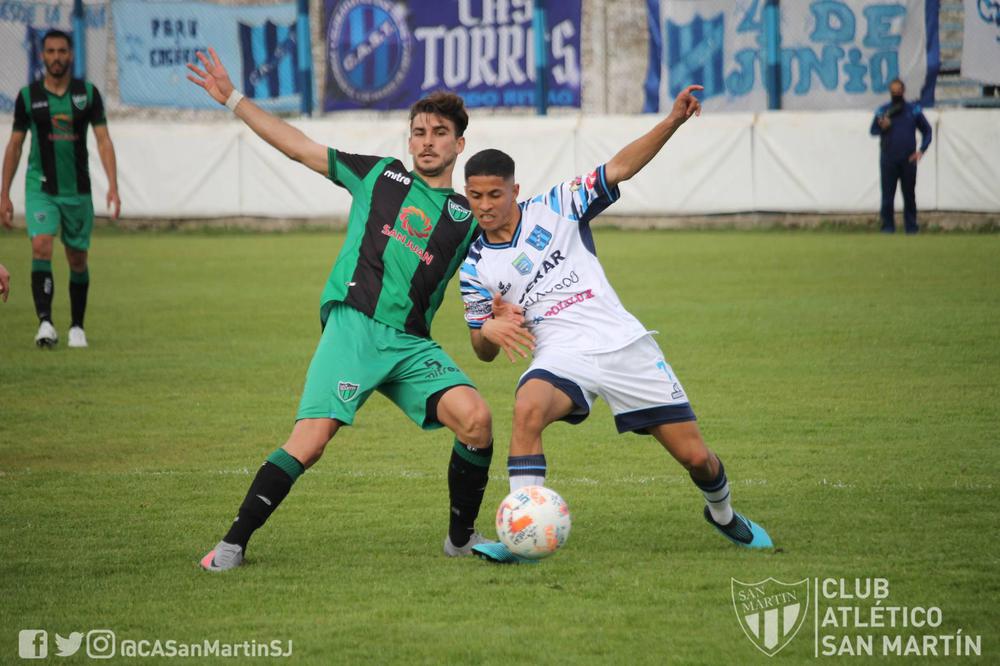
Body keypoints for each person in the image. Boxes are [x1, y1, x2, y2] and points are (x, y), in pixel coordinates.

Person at [186, 47, 508, 571]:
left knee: (477, 419)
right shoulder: (380, 176)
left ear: (459, 144)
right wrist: (233, 99)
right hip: (353, 328)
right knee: (310, 444)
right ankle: (231, 545)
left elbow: (509, 257)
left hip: (409, 345)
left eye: (439, 134)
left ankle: (460, 539)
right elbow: (299, 148)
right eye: (419, 132)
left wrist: (501, 319)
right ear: (409, 140)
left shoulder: (468, 217)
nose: (427, 142)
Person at [457, 85, 773, 563]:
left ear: (515, 190)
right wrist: (491, 332)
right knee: (526, 409)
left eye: (494, 195)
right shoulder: (475, 266)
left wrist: (672, 121)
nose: (484, 205)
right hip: (563, 352)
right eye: (475, 196)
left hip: (623, 343)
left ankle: (723, 514)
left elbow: (620, 167)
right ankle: (519, 534)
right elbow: (481, 347)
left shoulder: (559, 205)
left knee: (696, 458)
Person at [1, 29, 121, 348]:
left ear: (71, 55)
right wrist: (4, 194)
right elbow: (14, 146)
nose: (56, 57)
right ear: (42, 56)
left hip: (77, 191)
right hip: (41, 186)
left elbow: (104, 140)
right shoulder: (29, 97)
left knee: (77, 258)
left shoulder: (88, 94)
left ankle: (77, 327)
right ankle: (45, 323)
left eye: (62, 51)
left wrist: (113, 186)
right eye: (50, 51)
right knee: (41, 245)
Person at [870, 78, 932, 234]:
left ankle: (911, 228)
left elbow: (927, 131)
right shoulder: (883, 110)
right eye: (893, 91)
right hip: (888, 158)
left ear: (903, 91)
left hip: (908, 159)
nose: (896, 93)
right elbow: (873, 131)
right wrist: (882, 126)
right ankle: (887, 228)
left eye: (898, 90)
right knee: (887, 197)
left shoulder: (913, 110)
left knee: (909, 196)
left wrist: (921, 150)